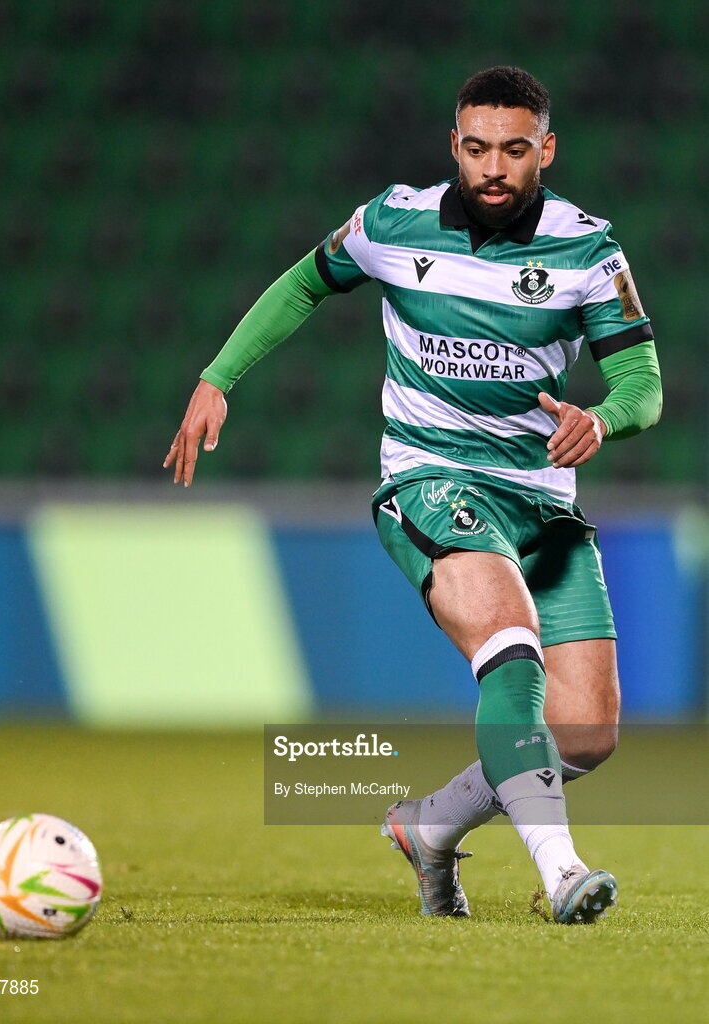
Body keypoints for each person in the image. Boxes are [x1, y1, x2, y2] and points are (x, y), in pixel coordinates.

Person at [163, 66, 662, 924]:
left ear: (546, 149)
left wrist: (605, 421)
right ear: (454, 148)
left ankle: (429, 828)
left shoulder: (589, 251)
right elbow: (305, 281)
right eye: (476, 150)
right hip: (431, 480)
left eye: (513, 150)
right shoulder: (395, 220)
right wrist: (219, 376)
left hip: (541, 501)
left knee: (587, 735)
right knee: (512, 649)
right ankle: (563, 874)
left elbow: (643, 382)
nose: (493, 169)